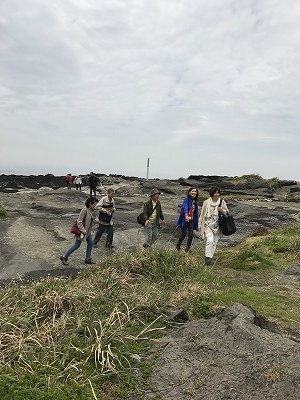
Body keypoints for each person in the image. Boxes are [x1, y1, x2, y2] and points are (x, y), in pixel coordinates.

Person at [60, 196, 99, 265]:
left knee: (90, 243)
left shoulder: (89, 210)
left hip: (87, 232)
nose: (95, 206)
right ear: (90, 203)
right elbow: (79, 221)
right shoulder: (84, 210)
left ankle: (87, 258)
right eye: (94, 204)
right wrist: (83, 230)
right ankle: (64, 256)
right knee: (77, 245)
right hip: (82, 232)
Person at [199, 187, 229, 265]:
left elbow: (227, 213)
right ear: (211, 193)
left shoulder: (222, 202)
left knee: (214, 242)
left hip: (218, 225)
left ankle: (210, 257)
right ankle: (207, 257)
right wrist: (200, 224)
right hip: (208, 225)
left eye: (218, 193)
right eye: (215, 193)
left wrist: (221, 210)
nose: (217, 194)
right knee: (210, 240)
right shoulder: (206, 202)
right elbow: (202, 214)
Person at [176, 187, 199, 252]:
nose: (194, 192)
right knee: (184, 233)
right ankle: (178, 247)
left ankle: (187, 249)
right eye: (192, 191)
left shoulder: (195, 201)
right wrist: (186, 215)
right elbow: (185, 207)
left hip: (191, 220)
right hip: (185, 219)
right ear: (189, 192)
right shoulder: (186, 199)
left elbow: (196, 212)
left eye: (195, 191)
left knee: (191, 234)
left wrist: (197, 220)